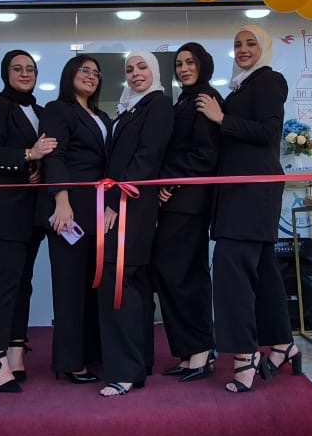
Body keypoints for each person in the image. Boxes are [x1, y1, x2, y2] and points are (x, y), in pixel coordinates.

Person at [196, 25, 302, 393]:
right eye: (238, 44)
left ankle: (245, 355)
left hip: (253, 190)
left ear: (265, 48)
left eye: (251, 43)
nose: (243, 49)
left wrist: (221, 119)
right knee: (263, 271)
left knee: (231, 268)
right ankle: (283, 344)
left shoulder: (269, 80)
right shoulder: (241, 86)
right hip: (239, 190)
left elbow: (269, 133)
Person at [0, 49, 58, 393]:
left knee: (23, 283)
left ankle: (15, 351)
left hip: (29, 215)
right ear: (5, 73)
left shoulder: (40, 111)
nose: (24, 73)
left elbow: (46, 157)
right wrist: (27, 155)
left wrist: (38, 166)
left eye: (30, 69)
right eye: (17, 68)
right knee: (4, 284)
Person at [97, 51, 174, 397]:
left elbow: (147, 156)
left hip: (131, 205)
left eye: (142, 67)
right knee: (133, 284)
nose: (135, 73)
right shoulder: (131, 107)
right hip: (128, 203)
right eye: (129, 69)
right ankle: (138, 363)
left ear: (154, 70)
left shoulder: (158, 104)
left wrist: (115, 202)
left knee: (118, 281)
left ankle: (124, 372)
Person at [40, 56, 111, 384]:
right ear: (69, 74)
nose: (91, 76)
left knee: (92, 284)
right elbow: (55, 156)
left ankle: (91, 353)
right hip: (70, 209)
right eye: (84, 70)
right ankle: (70, 362)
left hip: (98, 208)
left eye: (96, 73)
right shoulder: (57, 110)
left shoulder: (102, 116)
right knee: (69, 286)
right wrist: (61, 201)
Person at [153, 43, 222, 382]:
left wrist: (171, 179)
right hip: (175, 201)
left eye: (190, 62)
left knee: (185, 275)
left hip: (190, 203)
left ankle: (201, 350)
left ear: (203, 64)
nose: (183, 68)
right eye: (179, 63)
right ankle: (188, 351)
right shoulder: (184, 100)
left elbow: (205, 155)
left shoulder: (205, 98)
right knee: (172, 272)